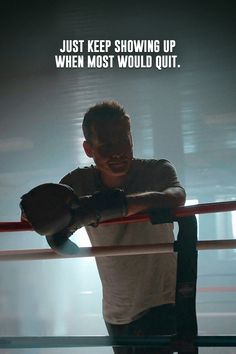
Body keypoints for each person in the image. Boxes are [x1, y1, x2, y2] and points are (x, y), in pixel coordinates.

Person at [58, 101, 186, 353]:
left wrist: (120, 206)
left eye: (123, 141)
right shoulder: (79, 182)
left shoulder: (156, 170)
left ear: (132, 138)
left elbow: (177, 196)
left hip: (160, 302)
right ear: (88, 149)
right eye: (106, 144)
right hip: (116, 311)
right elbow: (48, 210)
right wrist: (33, 212)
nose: (117, 152)